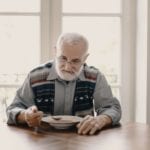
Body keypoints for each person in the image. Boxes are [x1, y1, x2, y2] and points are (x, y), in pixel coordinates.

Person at [6, 32, 121, 135]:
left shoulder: (95, 76)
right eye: (63, 58)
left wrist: (101, 119)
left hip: (83, 138)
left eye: (75, 61)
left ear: (85, 58)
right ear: (55, 51)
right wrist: (25, 116)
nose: (67, 67)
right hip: (42, 139)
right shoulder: (35, 75)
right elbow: (13, 108)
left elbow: (112, 108)